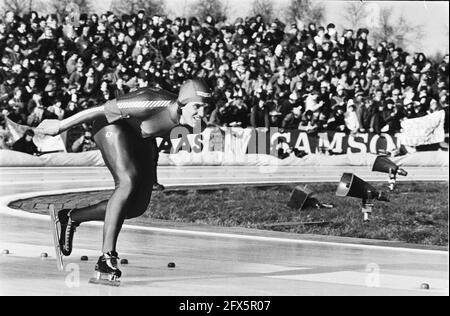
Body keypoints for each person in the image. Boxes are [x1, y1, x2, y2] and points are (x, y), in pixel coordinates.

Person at [36, 79, 212, 284]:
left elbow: (154, 138)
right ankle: (106, 257)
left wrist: (152, 177)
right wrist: (61, 125)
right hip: (111, 126)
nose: (201, 114)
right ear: (181, 104)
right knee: (127, 182)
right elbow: (102, 109)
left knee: (136, 207)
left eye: (204, 108)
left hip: (139, 137)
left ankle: (71, 217)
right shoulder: (151, 101)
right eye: (197, 107)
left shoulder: (195, 126)